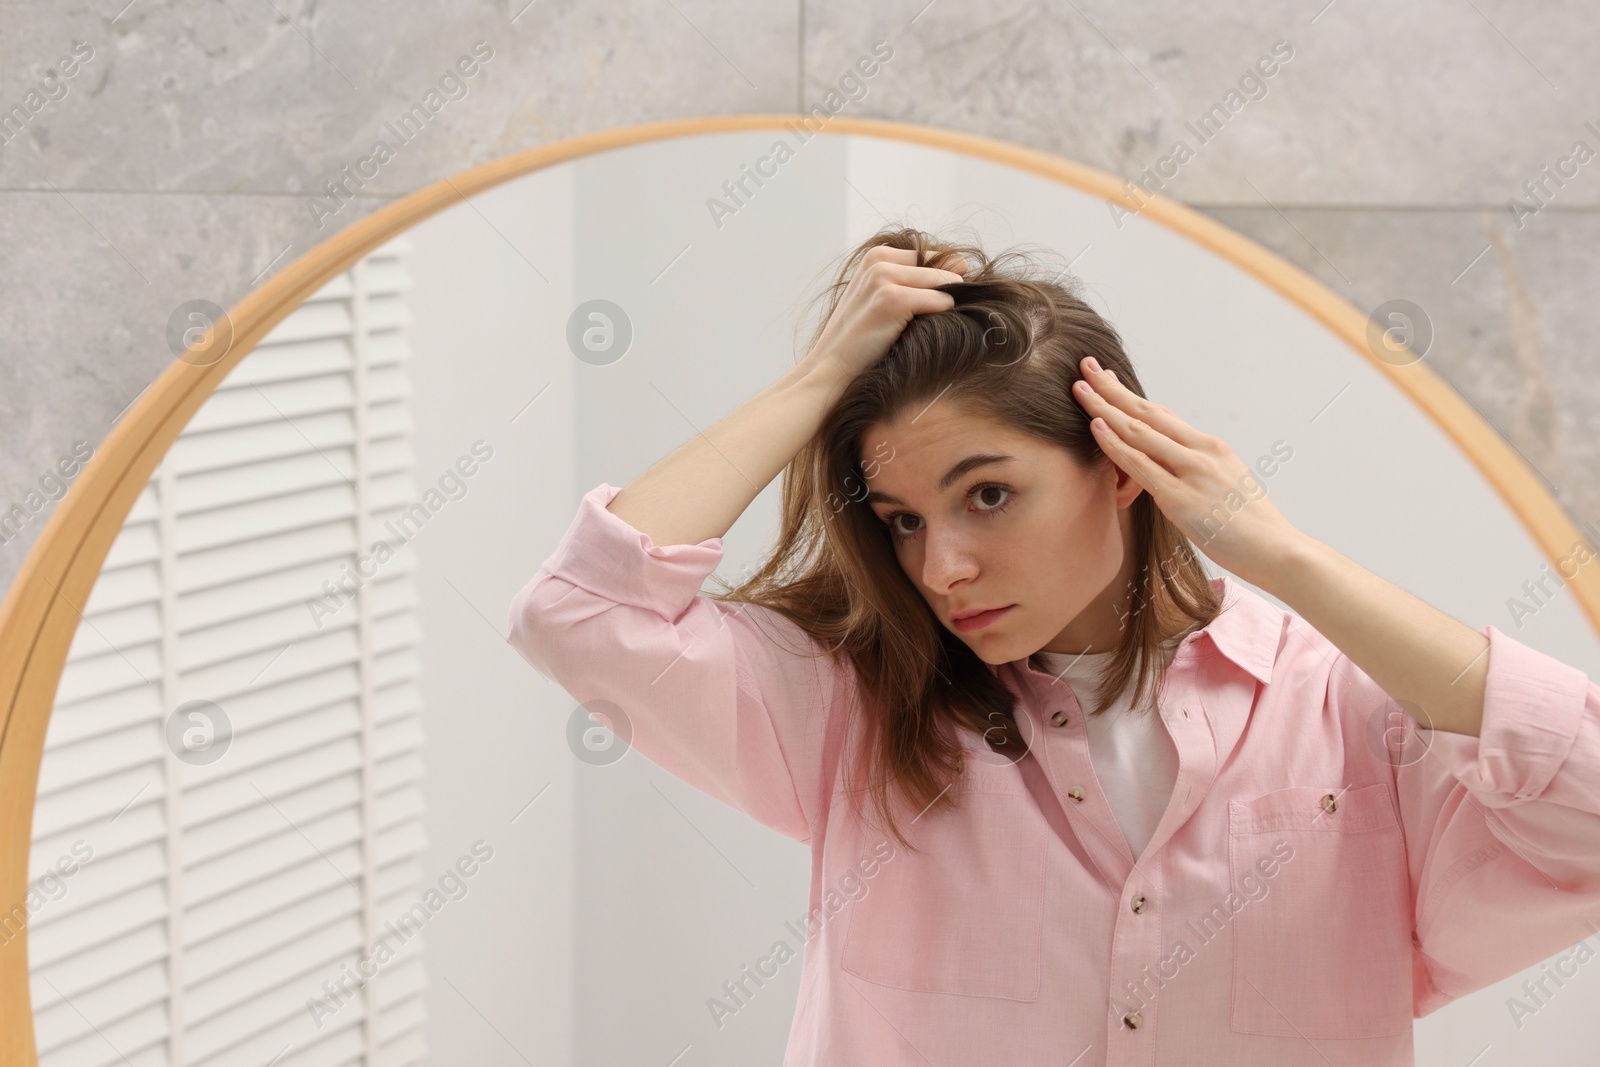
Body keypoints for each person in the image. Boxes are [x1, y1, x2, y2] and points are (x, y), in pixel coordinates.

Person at [505, 226, 1600, 1066]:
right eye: (903, 519)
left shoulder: (1352, 716)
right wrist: (815, 383)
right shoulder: (853, 705)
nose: (941, 568)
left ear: (1121, 466)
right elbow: (581, 617)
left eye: (988, 493)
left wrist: (1279, 553)